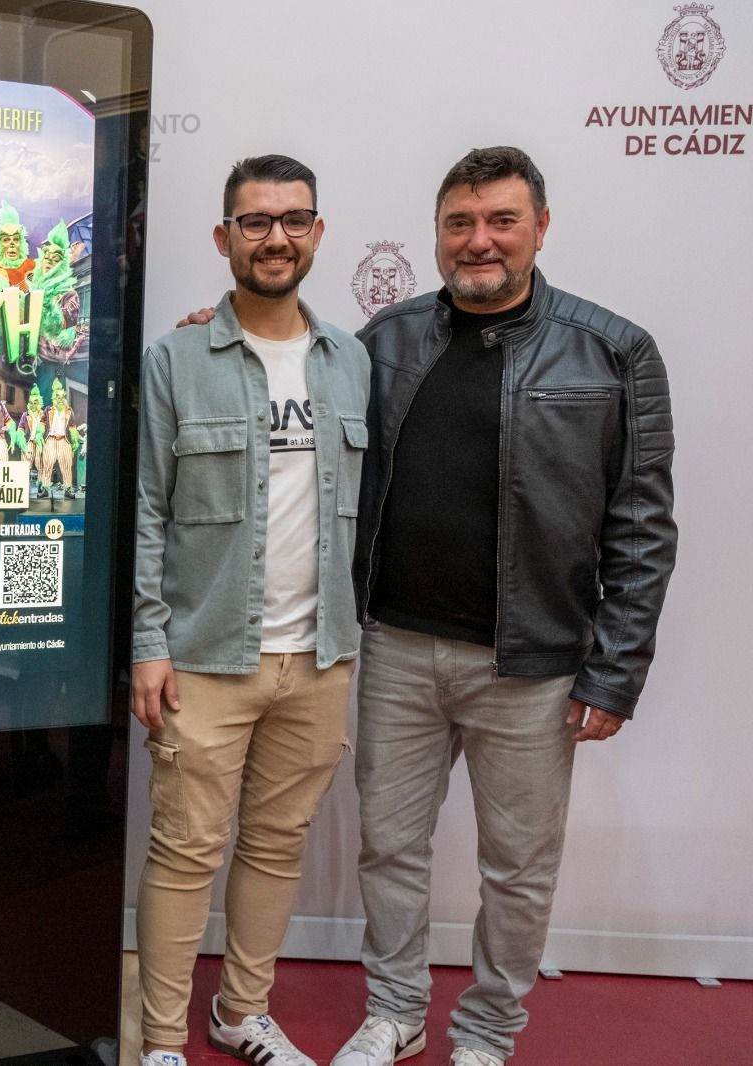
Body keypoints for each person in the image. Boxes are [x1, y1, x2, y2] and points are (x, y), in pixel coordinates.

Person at [327, 146, 677, 1066]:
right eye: (460, 223)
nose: (479, 241)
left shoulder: (614, 351)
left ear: (541, 228)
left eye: (501, 221)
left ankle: (487, 1032)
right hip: (397, 647)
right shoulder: (386, 339)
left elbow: (643, 525)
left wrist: (615, 671)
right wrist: (229, 334)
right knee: (389, 849)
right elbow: (305, 404)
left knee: (517, 870)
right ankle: (395, 1012)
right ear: (438, 233)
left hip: (533, 664)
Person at [133, 155, 370, 1066]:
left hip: (319, 657)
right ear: (224, 236)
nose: (277, 237)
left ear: (318, 232)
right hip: (203, 657)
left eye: (294, 219)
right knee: (185, 852)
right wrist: (148, 642)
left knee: (275, 848)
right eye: (256, 221)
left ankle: (241, 1013)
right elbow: (146, 509)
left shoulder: (352, 360)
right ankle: (161, 1041)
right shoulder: (176, 359)